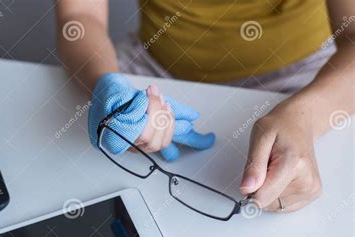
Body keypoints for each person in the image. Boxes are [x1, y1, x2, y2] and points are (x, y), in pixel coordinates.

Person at [56, 0, 354, 213]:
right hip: (154, 69)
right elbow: (80, 14)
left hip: (309, 72)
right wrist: (107, 86)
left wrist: (308, 116)